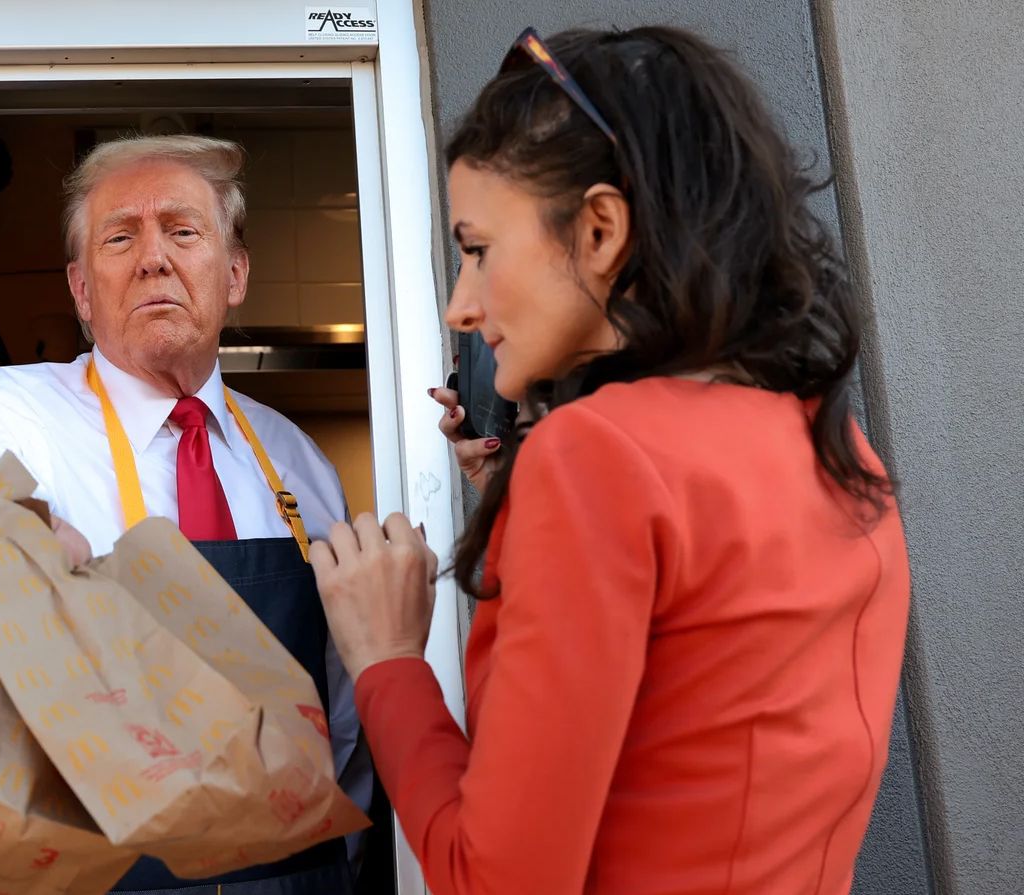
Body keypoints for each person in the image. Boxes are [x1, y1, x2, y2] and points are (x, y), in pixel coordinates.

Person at [307, 25, 910, 894]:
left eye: (476, 248)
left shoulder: (595, 458)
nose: (459, 306)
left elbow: (498, 879)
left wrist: (388, 660)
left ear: (599, 230)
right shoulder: (832, 438)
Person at [0, 133, 370, 893]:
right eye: (121, 237)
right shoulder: (18, 408)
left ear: (237, 273)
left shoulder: (299, 463)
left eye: (183, 232)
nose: (154, 257)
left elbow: (339, 700)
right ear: (82, 290)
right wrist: (13, 545)